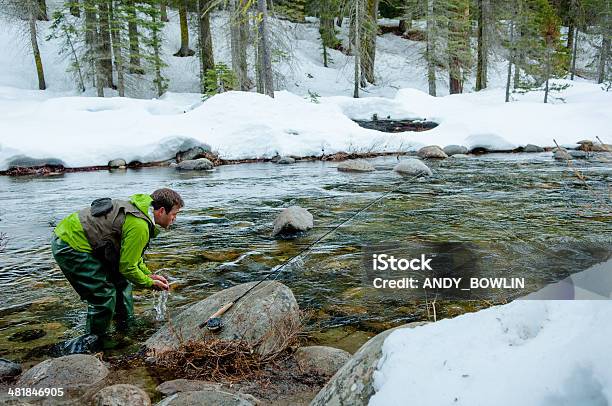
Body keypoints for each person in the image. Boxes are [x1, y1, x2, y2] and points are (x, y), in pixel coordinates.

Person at [51, 188, 183, 349]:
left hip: (86, 240)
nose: (175, 219)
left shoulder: (141, 214)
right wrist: (148, 283)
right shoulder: (140, 226)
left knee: (122, 284)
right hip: (71, 244)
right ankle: (94, 342)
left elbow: (132, 258)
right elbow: (127, 267)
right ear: (161, 211)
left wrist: (149, 275)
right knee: (103, 295)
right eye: (174, 214)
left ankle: (125, 328)